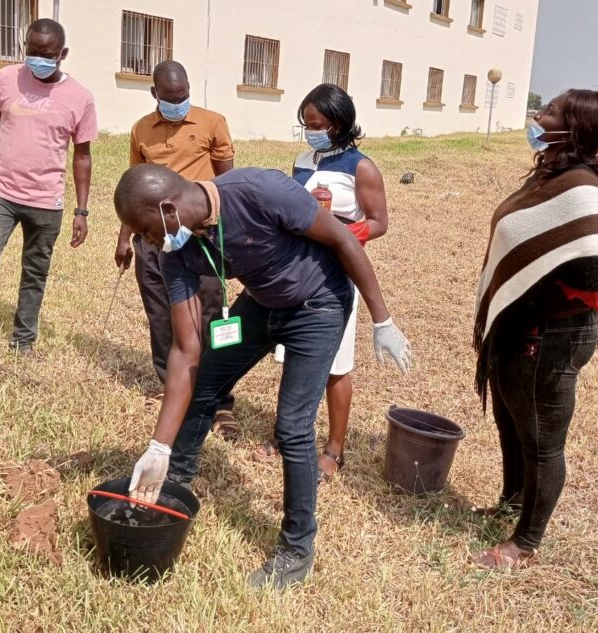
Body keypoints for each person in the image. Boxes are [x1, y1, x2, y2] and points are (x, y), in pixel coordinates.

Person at [113, 163, 411, 589]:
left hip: (318, 303)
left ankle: (297, 548)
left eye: (147, 230)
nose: (147, 242)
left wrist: (382, 320)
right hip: (261, 304)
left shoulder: (258, 190)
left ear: (168, 208)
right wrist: (159, 445)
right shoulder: (176, 251)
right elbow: (185, 350)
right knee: (206, 385)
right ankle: (173, 481)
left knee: (291, 427)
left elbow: (343, 238)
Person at [471, 90, 598, 569]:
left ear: (574, 127)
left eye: (551, 112)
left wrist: (544, 290)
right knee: (511, 419)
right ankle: (513, 501)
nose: (538, 117)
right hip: (522, 325)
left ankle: (526, 542)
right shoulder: (552, 174)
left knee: (541, 438)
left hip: (554, 334)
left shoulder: (580, 185)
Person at [253, 84, 389, 483]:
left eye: (317, 125)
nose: (310, 131)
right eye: (306, 124)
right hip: (297, 272)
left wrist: (341, 234)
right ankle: (288, 436)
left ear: (339, 124)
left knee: (335, 366)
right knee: (297, 357)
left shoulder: (361, 167)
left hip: (336, 276)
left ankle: (334, 449)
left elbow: (379, 222)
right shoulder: (302, 161)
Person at [0, 19, 97, 374]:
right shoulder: (5, 79)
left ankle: (23, 341)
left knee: (35, 273)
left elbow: (82, 155)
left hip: (46, 201)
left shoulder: (81, 97)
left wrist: (82, 210)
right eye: (32, 52)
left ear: (62, 54)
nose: (38, 59)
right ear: (24, 47)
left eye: (47, 54)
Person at [113, 60, 239, 437]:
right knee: (161, 316)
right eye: (169, 98)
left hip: (199, 235)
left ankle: (220, 401)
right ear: (155, 94)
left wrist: (224, 236)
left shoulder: (212, 122)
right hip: (153, 237)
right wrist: (124, 237)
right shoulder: (141, 130)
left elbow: (227, 182)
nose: (177, 102)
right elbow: (136, 191)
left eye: (183, 95)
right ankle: (176, 391)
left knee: (212, 317)